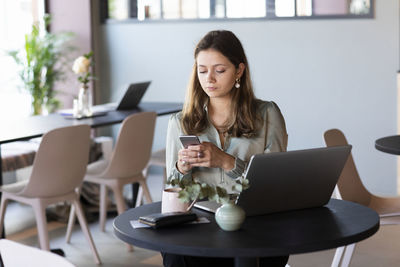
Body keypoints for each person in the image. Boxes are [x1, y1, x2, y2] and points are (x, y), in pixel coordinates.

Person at [164, 30, 289, 267]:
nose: (209, 78)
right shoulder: (180, 122)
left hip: (255, 222)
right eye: (202, 70)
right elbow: (174, 193)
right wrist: (182, 169)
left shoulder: (267, 114)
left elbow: (275, 186)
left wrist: (227, 162)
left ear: (239, 70)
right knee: (176, 255)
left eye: (219, 70)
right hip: (201, 224)